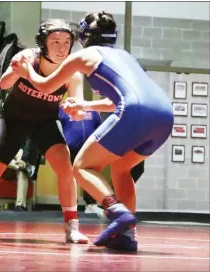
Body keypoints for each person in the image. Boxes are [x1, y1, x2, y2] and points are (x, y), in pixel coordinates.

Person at [13, 11, 174, 250]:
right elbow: (118, 100)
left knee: (81, 166)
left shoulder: (86, 55)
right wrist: (86, 105)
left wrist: (28, 72)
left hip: (135, 111)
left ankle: (118, 213)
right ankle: (127, 236)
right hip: (164, 115)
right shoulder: (125, 56)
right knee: (122, 168)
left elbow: (47, 86)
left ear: (83, 37)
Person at [0, 19, 89, 244]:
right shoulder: (28, 57)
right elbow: (5, 84)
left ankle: (72, 226)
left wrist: (76, 111)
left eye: (67, 42)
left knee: (66, 168)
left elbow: (77, 105)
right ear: (43, 44)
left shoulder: (72, 70)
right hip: (13, 120)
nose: (62, 47)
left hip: (45, 121)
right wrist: (19, 70)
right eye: (55, 42)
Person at [59, 106, 104, 214]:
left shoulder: (93, 111)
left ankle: (91, 205)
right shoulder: (62, 110)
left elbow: (100, 128)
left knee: (88, 175)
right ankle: (70, 206)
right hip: (70, 148)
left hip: (88, 149)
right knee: (69, 176)